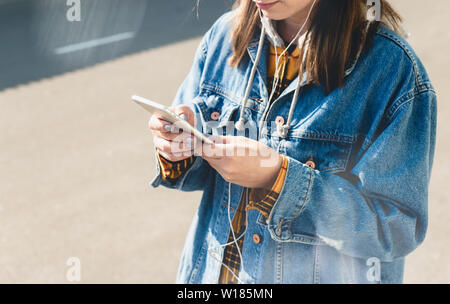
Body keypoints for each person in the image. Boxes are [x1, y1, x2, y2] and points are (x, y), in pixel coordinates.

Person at [148, 0, 437, 284]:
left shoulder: (392, 70)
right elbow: (197, 177)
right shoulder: (224, 36)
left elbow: (396, 230)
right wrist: (178, 148)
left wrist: (279, 178)